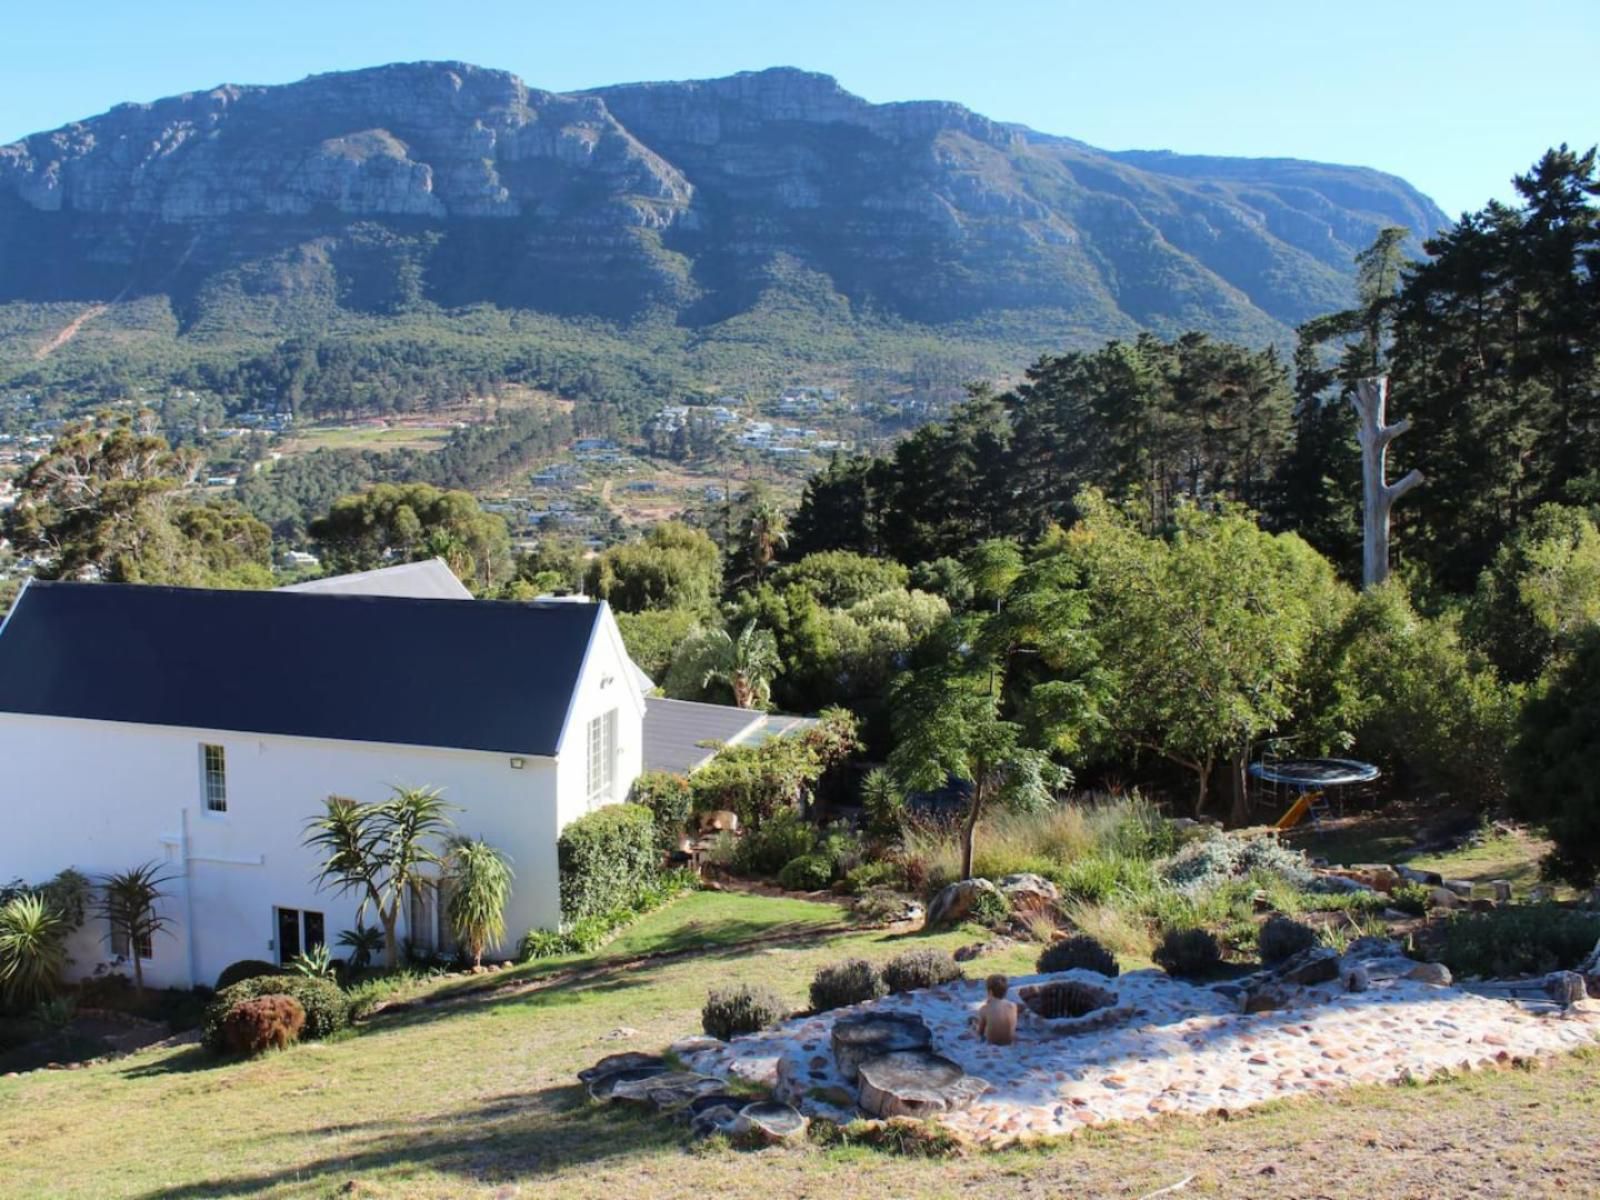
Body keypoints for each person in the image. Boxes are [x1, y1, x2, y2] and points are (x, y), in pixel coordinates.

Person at [974, 973, 1018, 1046]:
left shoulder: (985, 1009)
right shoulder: (1013, 1006)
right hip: (1009, 1042)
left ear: (990, 992)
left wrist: (975, 1025)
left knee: (973, 1026)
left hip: (992, 1044)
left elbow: (980, 1033)